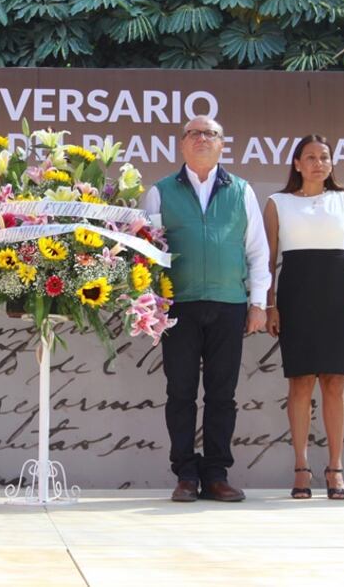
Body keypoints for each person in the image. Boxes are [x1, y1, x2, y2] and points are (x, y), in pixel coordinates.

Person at [142, 116, 270, 503]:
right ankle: (185, 475)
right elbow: (149, 255)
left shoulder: (242, 191)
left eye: (211, 133)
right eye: (194, 134)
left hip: (229, 304)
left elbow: (257, 250)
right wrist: (152, 304)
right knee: (180, 392)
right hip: (177, 306)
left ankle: (216, 474)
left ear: (222, 144)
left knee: (222, 394)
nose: (202, 139)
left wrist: (259, 303)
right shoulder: (160, 192)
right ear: (182, 144)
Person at [263, 135, 344, 500]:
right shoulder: (277, 203)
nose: (318, 163)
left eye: (324, 157)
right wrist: (269, 304)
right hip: (296, 295)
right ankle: (301, 467)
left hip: (338, 295)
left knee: (335, 382)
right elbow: (268, 260)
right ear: (296, 164)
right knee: (300, 382)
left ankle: (335, 468)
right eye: (310, 157)